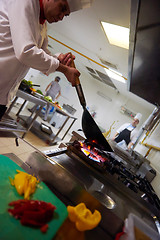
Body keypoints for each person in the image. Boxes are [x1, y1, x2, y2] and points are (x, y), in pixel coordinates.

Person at [0, 0, 93, 120]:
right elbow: (26, 52)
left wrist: (59, 59)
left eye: (65, 14)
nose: (61, 17)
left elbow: (43, 54)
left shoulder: (42, 25)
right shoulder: (24, 2)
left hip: (4, 95)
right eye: (62, 8)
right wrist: (64, 69)